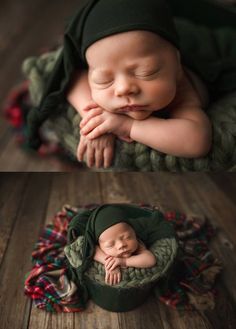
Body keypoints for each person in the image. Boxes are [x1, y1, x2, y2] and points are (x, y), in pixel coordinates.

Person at [66, 0, 212, 168]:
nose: (123, 89)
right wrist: (97, 120)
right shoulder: (93, 66)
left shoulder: (183, 92)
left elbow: (197, 141)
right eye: (104, 80)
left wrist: (127, 126)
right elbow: (72, 78)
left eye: (146, 72)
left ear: (177, 65)